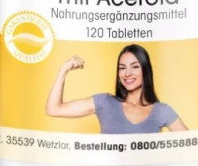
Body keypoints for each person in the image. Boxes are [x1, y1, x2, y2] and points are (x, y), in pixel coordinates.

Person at [45, 44, 188, 133]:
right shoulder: (104, 102)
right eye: (122, 68)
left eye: (135, 67)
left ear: (145, 70)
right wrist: (63, 70)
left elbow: (191, 146)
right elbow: (53, 109)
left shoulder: (162, 110)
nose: (127, 73)